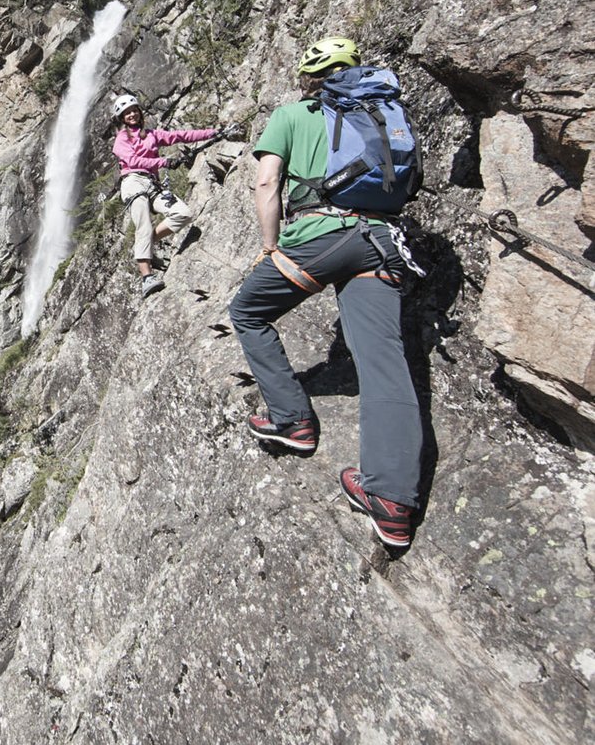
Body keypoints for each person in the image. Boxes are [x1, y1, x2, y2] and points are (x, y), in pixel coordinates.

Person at [227, 37, 423, 548]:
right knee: (385, 363)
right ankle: (392, 499)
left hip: (322, 238)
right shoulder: (382, 114)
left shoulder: (291, 115)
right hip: (381, 242)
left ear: (308, 77)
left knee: (247, 310)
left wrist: (270, 246)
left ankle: (292, 421)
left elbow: (267, 183)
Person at [110, 93, 219, 298]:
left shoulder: (151, 134)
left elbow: (181, 136)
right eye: (127, 113)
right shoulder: (121, 139)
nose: (132, 114)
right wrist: (163, 162)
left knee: (183, 213)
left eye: (134, 110)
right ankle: (147, 278)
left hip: (153, 183)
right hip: (133, 182)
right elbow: (133, 160)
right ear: (122, 118)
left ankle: (148, 243)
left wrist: (213, 133)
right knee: (143, 226)